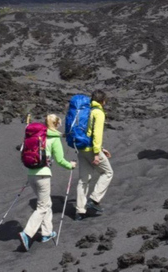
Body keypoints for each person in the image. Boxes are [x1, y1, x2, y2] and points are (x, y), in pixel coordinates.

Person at [19, 114, 76, 251]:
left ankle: (46, 233)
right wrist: (71, 165)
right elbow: (61, 160)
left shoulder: (36, 135)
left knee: (46, 203)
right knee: (43, 207)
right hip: (43, 175)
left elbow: (23, 151)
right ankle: (27, 233)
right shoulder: (54, 139)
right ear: (56, 124)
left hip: (31, 173)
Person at [75, 90, 113, 220]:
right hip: (91, 149)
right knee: (108, 172)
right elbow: (96, 134)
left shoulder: (85, 110)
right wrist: (97, 153)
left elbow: (87, 132)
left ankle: (80, 211)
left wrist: (101, 149)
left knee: (83, 180)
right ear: (102, 101)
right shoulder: (98, 112)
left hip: (81, 148)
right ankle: (94, 199)